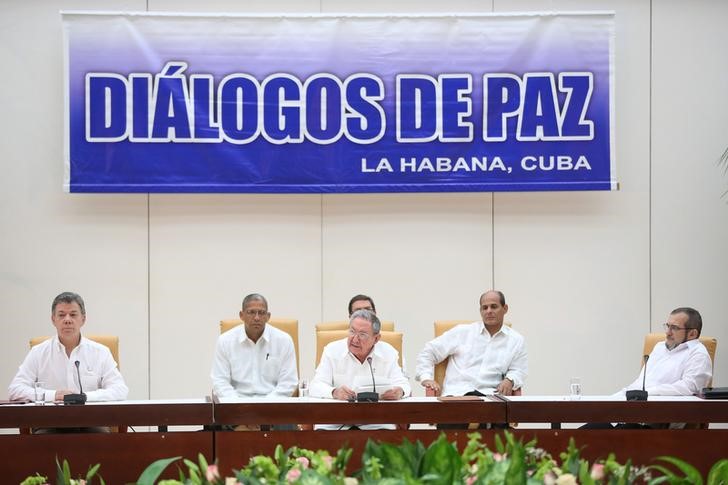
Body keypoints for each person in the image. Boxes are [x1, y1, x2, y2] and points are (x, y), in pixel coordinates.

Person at [583, 307, 712, 430]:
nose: (667, 332)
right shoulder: (660, 347)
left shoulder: (698, 354)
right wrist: (609, 402)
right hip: (627, 411)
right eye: (667, 326)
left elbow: (689, 387)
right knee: (576, 437)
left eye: (675, 328)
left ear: (692, 333)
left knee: (593, 441)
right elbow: (640, 383)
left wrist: (648, 393)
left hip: (651, 421)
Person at [8, 292, 128, 404]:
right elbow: (15, 390)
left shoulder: (101, 352)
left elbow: (120, 390)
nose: (67, 320)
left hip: (90, 422)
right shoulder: (38, 353)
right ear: (53, 319)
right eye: (61, 315)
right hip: (49, 423)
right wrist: (54, 395)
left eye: (73, 315)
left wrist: (84, 397)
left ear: (83, 319)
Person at [309, 309, 410, 430]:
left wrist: (399, 391)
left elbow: (404, 384)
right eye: (352, 331)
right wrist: (335, 392)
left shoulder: (388, 353)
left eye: (362, 334)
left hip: (375, 421)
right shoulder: (332, 350)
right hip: (335, 421)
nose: (355, 339)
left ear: (376, 338)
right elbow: (316, 385)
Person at [416, 290, 527, 398]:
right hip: (457, 396)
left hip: (491, 397)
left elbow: (519, 370)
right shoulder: (462, 332)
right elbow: (429, 351)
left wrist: (510, 380)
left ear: (505, 308)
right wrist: (426, 378)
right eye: (484, 308)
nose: (489, 311)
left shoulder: (516, 340)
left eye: (494, 306)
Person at [211, 293, 298, 399]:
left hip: (273, 406)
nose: (257, 318)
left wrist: (265, 405)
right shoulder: (225, 341)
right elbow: (220, 381)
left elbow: (288, 382)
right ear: (241, 315)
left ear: (268, 316)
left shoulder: (284, 341)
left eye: (261, 313)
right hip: (236, 406)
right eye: (251, 312)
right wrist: (238, 405)